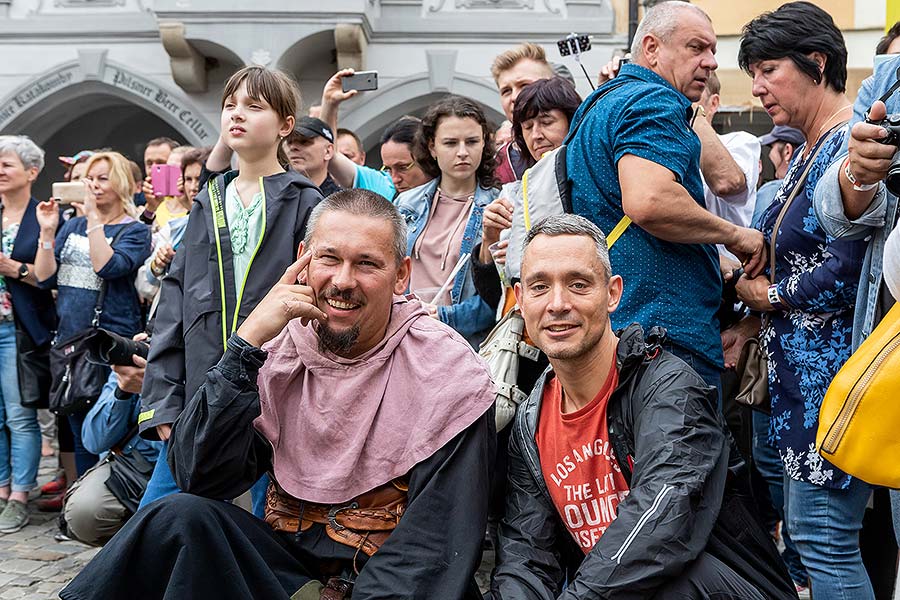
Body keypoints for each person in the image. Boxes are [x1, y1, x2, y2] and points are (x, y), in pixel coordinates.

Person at [60, 189, 496, 600]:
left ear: (400, 275)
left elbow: (433, 545)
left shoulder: (446, 372)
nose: (343, 281)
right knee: (176, 517)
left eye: (367, 264)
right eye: (329, 258)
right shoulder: (278, 353)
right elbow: (200, 475)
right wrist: (244, 345)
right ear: (303, 262)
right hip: (292, 575)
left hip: (389, 584)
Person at [490, 214, 795, 599]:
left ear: (613, 293)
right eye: (539, 287)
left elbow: (661, 520)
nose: (557, 304)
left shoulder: (669, 387)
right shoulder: (530, 420)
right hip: (610, 592)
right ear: (520, 299)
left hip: (716, 589)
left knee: (667, 579)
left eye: (578, 284)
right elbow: (526, 553)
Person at [732, 3, 873, 597]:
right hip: (801, 383)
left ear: (817, 62)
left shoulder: (850, 147)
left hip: (833, 379)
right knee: (811, 540)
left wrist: (768, 295)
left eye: (768, 69)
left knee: (821, 537)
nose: (758, 86)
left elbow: (846, 271)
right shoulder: (814, 147)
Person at [137, 66, 323, 514]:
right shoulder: (207, 201)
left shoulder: (306, 201)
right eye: (229, 105)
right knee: (157, 515)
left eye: (254, 106)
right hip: (202, 391)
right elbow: (174, 305)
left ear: (285, 125)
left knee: (271, 520)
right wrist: (163, 399)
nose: (236, 115)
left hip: (275, 394)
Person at [568, 1, 765, 389]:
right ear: (652, 49)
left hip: (616, 334)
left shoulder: (598, 104)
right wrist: (735, 235)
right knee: (685, 451)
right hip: (665, 339)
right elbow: (650, 201)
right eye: (696, 48)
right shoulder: (653, 100)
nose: (710, 62)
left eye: (713, 51)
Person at [34, 151, 152, 479]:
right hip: (72, 343)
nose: (94, 186)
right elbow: (45, 277)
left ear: (123, 183)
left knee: (107, 430)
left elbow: (109, 266)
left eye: (103, 178)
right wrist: (47, 232)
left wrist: (94, 222)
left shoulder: (135, 231)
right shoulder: (71, 225)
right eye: (90, 178)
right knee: (78, 430)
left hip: (110, 343)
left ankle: (108, 506)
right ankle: (80, 503)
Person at [472, 76, 583, 313]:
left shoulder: (592, 183)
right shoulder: (513, 192)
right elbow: (493, 296)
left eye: (546, 122)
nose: (536, 135)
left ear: (573, 122)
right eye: (527, 126)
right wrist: (490, 238)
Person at [397, 95, 498, 347]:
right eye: (451, 143)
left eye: (472, 141)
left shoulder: (499, 206)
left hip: (464, 344)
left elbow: (497, 297)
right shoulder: (406, 203)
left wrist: (442, 316)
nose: (462, 152)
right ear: (432, 147)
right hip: (407, 335)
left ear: (484, 143)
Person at [0, 136, 54, 533]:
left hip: (19, 330)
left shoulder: (45, 216)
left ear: (31, 172)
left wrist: (11, 267)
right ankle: (1, 489)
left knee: (20, 416)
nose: (0, 171)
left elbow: (50, 279)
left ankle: (21, 494)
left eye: (7, 164)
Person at [63, 341, 163, 546]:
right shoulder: (137, 363)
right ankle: (129, 554)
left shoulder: (193, 359)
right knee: (84, 513)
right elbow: (93, 441)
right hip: (132, 469)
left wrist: (154, 390)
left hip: (183, 472)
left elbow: (176, 447)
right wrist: (123, 391)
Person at [319, 70, 430, 200]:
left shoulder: (451, 191)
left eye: (403, 167)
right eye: (388, 169)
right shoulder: (382, 184)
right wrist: (329, 103)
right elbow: (331, 156)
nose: (395, 179)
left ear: (428, 157)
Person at [696, 71, 761, 260]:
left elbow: (728, 183)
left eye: (695, 92)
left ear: (713, 103)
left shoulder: (739, 142)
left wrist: (693, 114)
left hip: (726, 278)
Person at [490, 43, 555, 183]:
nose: (514, 97)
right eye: (506, 91)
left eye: (524, 85)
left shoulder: (583, 145)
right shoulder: (497, 164)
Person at [754, 125, 805, 227]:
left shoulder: (772, 190)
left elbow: (756, 238)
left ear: (787, 151)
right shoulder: (811, 187)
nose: (769, 154)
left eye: (772, 148)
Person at [283, 117, 342, 196]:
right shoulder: (274, 194)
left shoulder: (340, 203)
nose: (293, 147)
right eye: (289, 142)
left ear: (328, 151)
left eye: (304, 141)